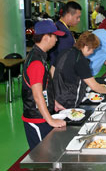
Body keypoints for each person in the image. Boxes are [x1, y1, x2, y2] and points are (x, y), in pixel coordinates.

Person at [22, 20, 66, 150]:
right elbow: (37, 95)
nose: (57, 40)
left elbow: (44, 87)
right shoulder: (36, 62)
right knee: (43, 157)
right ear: (46, 37)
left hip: (42, 114)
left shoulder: (39, 55)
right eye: (55, 36)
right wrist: (50, 120)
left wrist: (53, 102)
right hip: (37, 118)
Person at [52, 32, 106, 109]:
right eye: (93, 49)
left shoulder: (64, 52)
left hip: (56, 97)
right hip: (69, 101)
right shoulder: (80, 60)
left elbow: (52, 73)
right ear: (86, 46)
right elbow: (94, 86)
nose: (92, 52)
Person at [49, 1, 82, 66]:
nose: (79, 20)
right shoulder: (64, 33)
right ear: (68, 15)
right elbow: (65, 58)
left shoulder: (58, 26)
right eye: (77, 17)